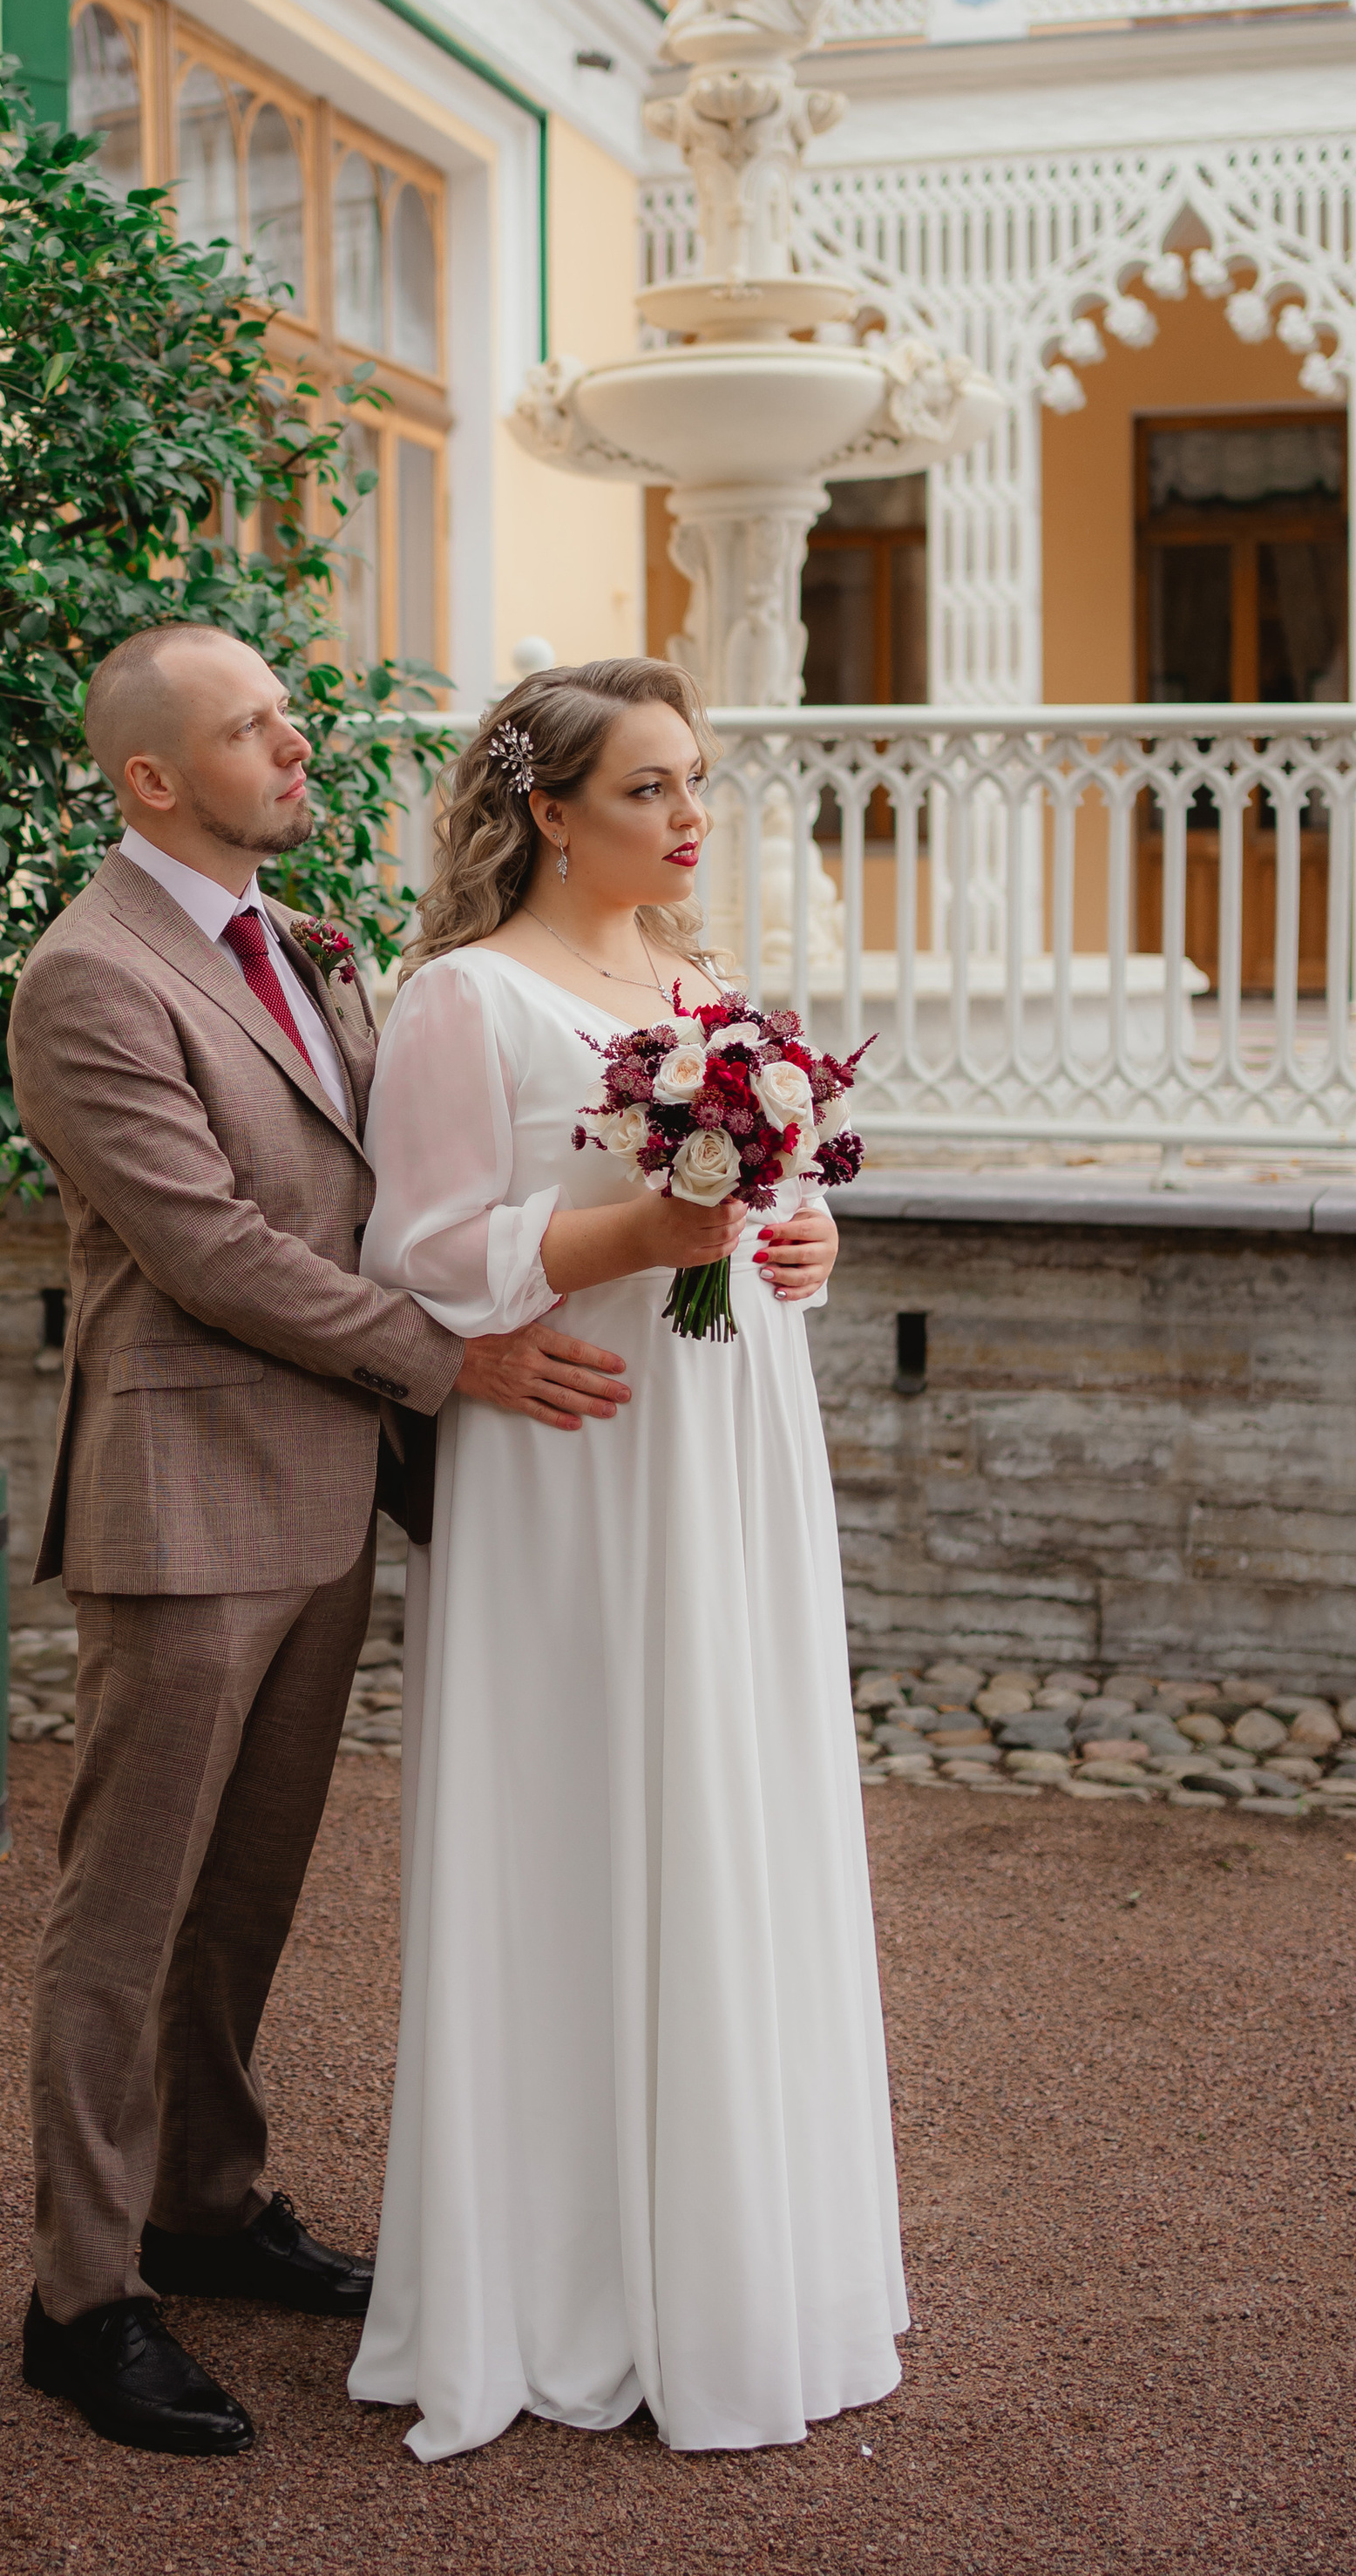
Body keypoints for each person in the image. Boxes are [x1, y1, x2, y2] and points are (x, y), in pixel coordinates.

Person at [8, 621, 633, 2459]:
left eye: (284, 716)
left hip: (320, 1487)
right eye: (250, 728)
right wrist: (457, 1361)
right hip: (184, 1496)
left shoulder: (298, 947)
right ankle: (80, 2299)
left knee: (247, 1895)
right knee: (123, 1916)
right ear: (148, 779)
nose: (295, 745)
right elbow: (211, 1250)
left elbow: (389, 1194)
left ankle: (206, 2203)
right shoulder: (88, 980)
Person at [346, 654, 908, 2462]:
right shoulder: (460, 1002)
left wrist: (796, 1230)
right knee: (578, 1812)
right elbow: (423, 1248)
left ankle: (740, 2256)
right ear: (547, 811)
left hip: (727, 1439)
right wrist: (641, 1227)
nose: (689, 816)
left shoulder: (698, 990)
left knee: (728, 1801)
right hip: (574, 1451)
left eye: (693, 783)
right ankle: (566, 2278)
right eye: (652, 788)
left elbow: (767, 1188)